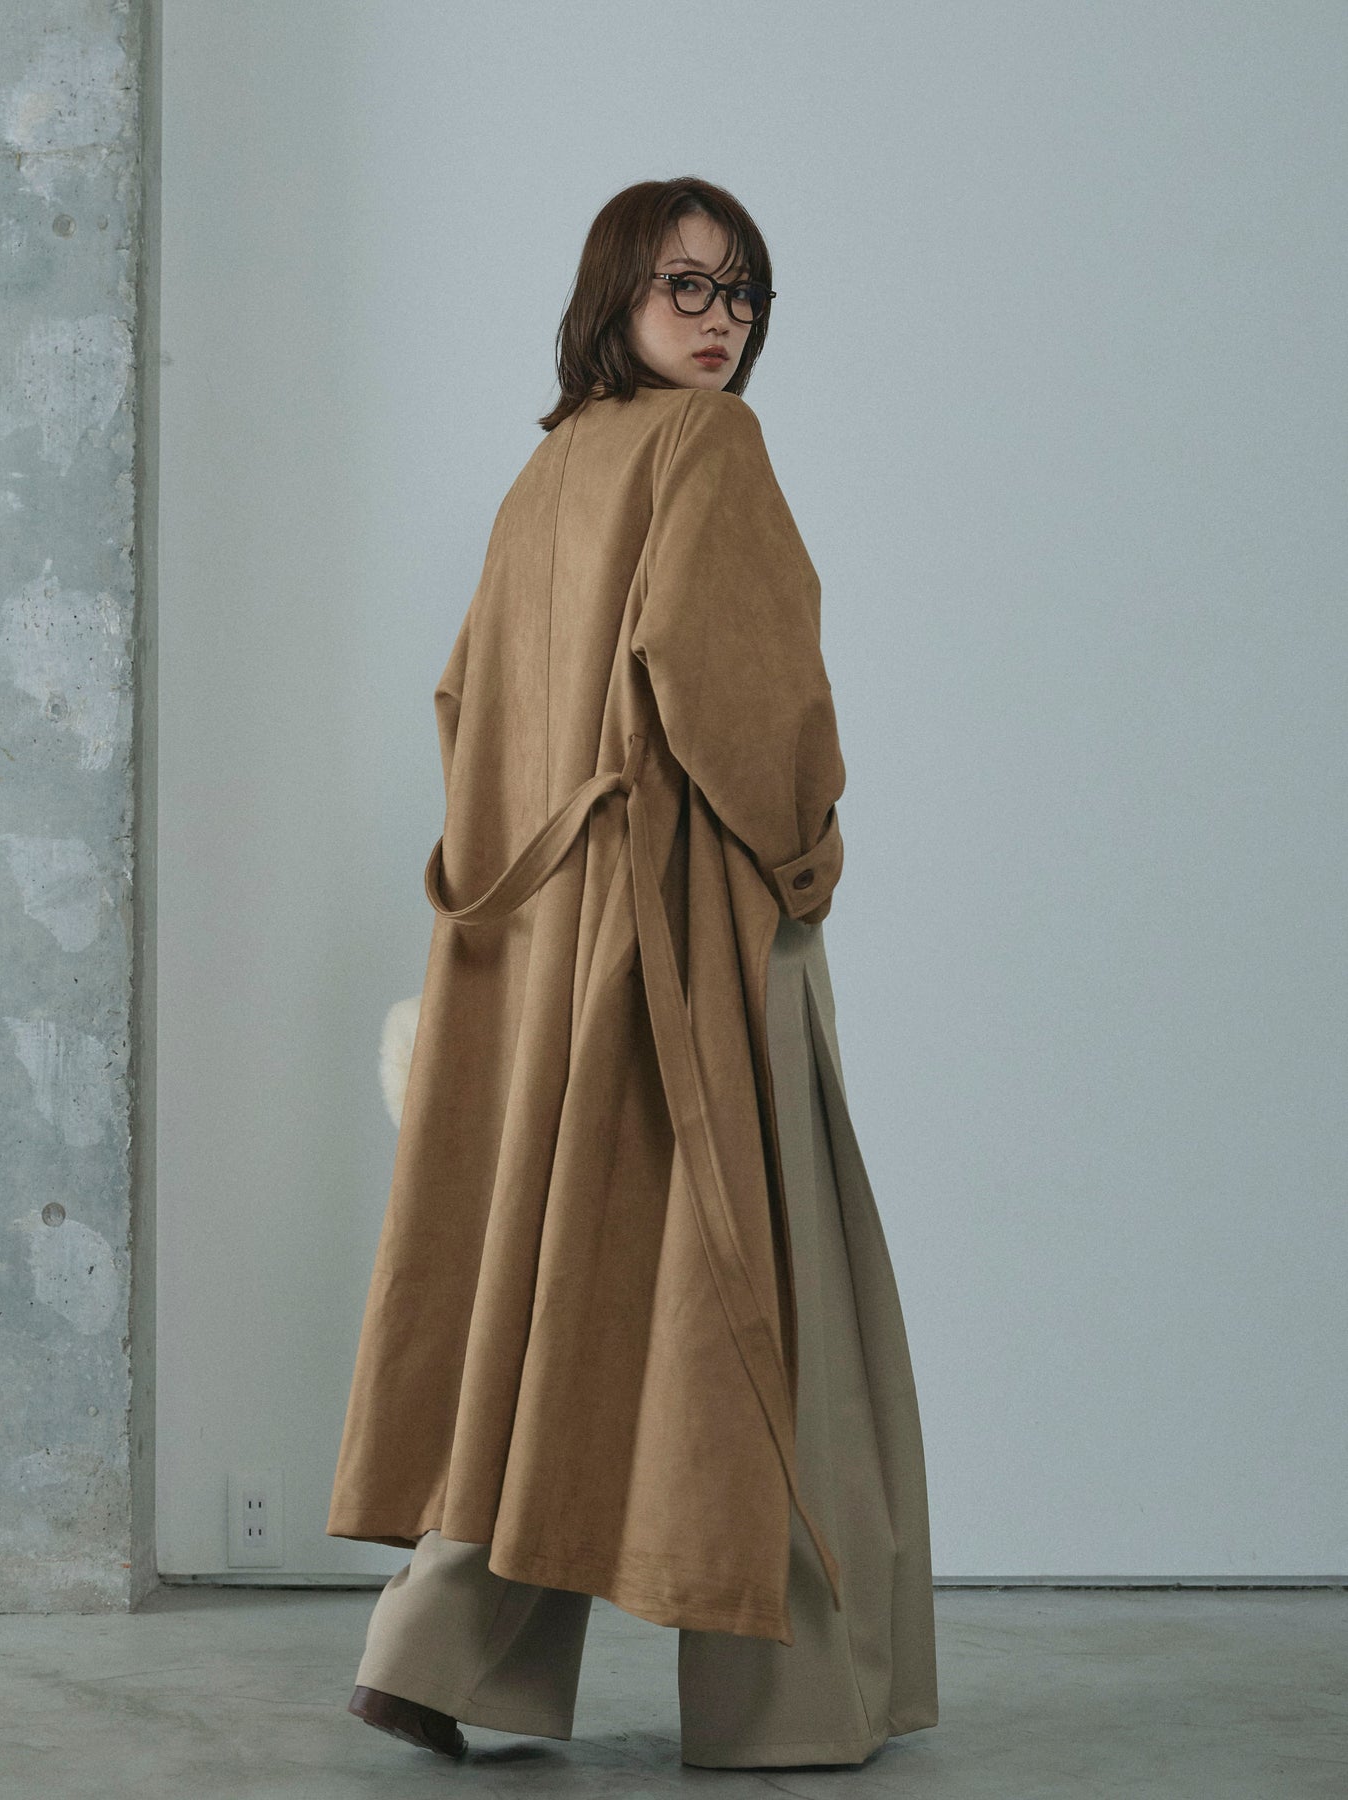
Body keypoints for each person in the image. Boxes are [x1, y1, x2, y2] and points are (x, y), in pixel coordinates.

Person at [327, 176, 939, 1770]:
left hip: (547, 950)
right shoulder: (705, 446)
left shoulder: (552, 467)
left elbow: (463, 699)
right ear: (618, 294)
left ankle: (431, 1648)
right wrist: (804, 859)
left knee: (568, 1289)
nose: (721, 320)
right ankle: (790, 1706)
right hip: (688, 932)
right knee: (762, 1294)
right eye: (687, 286)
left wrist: (522, 906)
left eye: (744, 293)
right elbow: (741, 694)